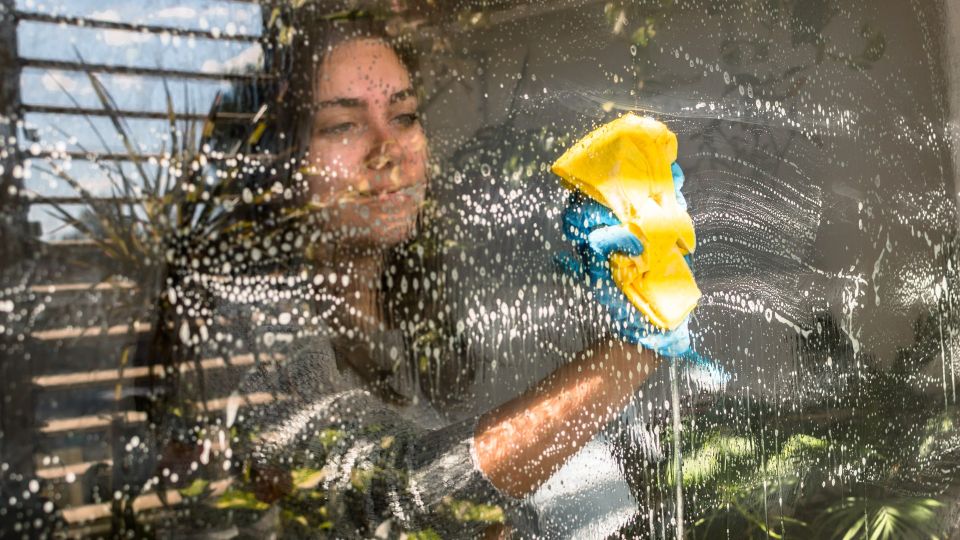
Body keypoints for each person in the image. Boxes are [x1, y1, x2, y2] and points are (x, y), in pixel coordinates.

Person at [219, 7, 701, 538]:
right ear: (278, 162)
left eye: (403, 116)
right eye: (342, 125)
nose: (389, 150)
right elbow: (390, 501)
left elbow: (479, 511)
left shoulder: (416, 308)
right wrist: (634, 345)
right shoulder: (254, 333)